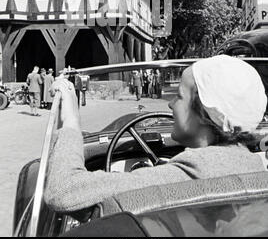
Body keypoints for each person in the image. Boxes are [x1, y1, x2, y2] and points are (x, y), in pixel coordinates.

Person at [44, 55, 267, 214]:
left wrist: (71, 121)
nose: (170, 104)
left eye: (179, 96)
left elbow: (63, 191)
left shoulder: (194, 171)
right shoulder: (251, 163)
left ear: (203, 113)